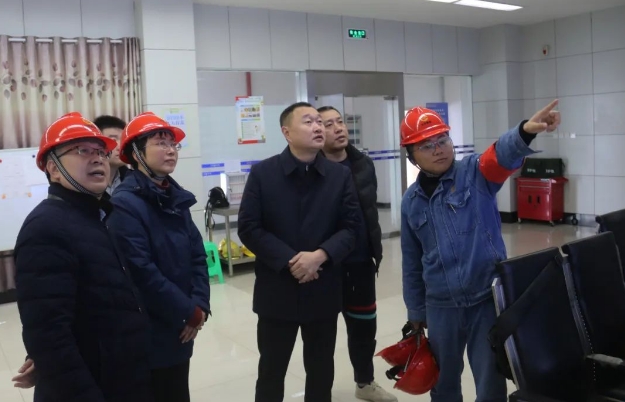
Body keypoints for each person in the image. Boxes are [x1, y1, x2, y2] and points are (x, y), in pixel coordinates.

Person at [401, 100, 561, 401]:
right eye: (426, 145)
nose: (438, 149)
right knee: (443, 382)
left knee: (490, 380)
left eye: (442, 140)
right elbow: (411, 261)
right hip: (440, 306)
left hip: (485, 299)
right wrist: (416, 311)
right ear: (411, 156)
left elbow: (501, 155)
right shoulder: (411, 202)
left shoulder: (475, 173)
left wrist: (525, 132)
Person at [13, 112, 153, 401]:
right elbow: (49, 337)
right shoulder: (46, 227)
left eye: (101, 151)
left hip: (121, 378)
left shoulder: (98, 216)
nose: (98, 158)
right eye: (82, 151)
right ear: (53, 169)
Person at [238, 102, 361, 402]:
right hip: (277, 289)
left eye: (319, 121)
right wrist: (291, 261)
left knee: (321, 369)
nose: (318, 127)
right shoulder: (263, 173)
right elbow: (249, 227)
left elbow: (351, 228)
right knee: (271, 368)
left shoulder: (338, 176)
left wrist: (319, 256)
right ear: (287, 132)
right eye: (308, 122)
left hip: (323, 286)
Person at [106, 112, 210, 402]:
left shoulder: (176, 197)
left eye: (173, 144)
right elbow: (141, 270)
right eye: (160, 143)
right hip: (152, 327)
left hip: (184, 321)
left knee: (178, 389)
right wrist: (188, 311)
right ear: (136, 153)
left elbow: (197, 255)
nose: (170, 150)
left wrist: (200, 304)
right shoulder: (125, 203)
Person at [318, 106, 396, 402]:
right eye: (328, 124)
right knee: (322, 332)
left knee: (364, 328)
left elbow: (369, 211)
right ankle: (319, 390)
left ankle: (365, 383)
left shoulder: (363, 164)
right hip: (326, 265)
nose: (338, 128)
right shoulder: (312, 169)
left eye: (340, 121)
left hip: (361, 262)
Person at [93, 115, 131, 194]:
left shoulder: (132, 180)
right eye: (113, 140)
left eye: (123, 140)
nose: (121, 146)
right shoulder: (85, 181)